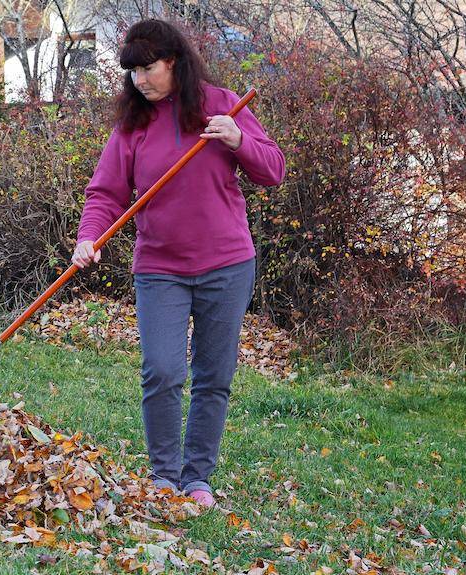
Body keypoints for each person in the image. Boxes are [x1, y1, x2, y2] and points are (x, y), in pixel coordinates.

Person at [71, 19, 285, 508]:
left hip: (227, 265)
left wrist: (237, 139)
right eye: (133, 73)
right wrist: (89, 237)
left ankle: (197, 479)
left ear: (174, 62)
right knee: (163, 370)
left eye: (148, 69)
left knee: (214, 374)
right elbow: (105, 192)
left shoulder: (219, 104)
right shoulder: (133, 125)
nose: (140, 81)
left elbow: (272, 171)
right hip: (160, 269)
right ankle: (164, 477)